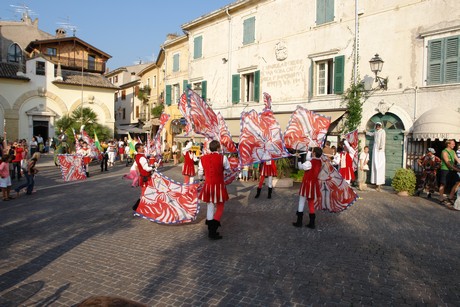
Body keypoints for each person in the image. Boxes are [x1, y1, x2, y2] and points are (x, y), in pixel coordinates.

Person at [198, 140, 231, 240]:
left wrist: (201, 179)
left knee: (210, 206)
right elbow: (228, 169)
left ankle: (210, 229)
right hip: (219, 185)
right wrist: (224, 173)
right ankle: (213, 229)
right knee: (220, 206)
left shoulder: (203, 158)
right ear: (217, 148)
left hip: (208, 185)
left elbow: (200, 172)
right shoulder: (223, 158)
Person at [292, 147, 323, 229]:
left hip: (307, 184)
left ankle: (299, 222)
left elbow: (301, 167)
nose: (312, 153)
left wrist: (298, 159)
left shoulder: (310, 162)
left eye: (312, 152)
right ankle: (312, 223)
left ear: (314, 153)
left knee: (301, 201)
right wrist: (309, 150)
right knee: (311, 202)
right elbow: (309, 158)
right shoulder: (319, 161)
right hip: (314, 184)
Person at [132, 143, 157, 211]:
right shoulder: (142, 157)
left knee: (145, 192)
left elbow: (137, 165)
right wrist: (154, 167)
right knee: (146, 193)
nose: (143, 148)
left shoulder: (138, 156)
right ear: (138, 149)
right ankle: (139, 207)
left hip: (143, 176)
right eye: (142, 147)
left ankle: (138, 207)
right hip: (145, 177)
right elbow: (146, 168)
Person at [365, 122, 386, 191]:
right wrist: (366, 132)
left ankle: (379, 184)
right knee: (375, 165)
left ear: (381, 126)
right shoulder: (376, 132)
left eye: (379, 125)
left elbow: (383, 140)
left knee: (379, 166)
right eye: (377, 125)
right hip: (375, 149)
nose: (377, 127)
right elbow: (371, 134)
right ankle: (375, 183)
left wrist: (381, 147)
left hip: (380, 150)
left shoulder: (382, 132)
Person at [439, 139, 460, 205]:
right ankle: (441, 198)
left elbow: (458, 160)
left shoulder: (453, 151)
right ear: (448, 144)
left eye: (454, 143)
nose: (454, 145)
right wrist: (457, 170)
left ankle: (450, 197)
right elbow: (448, 163)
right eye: (453, 143)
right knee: (443, 184)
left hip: (452, 170)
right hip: (445, 169)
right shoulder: (444, 151)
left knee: (458, 182)